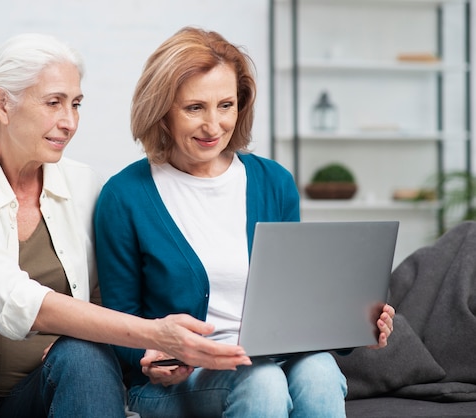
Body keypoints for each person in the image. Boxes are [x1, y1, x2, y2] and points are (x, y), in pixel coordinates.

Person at [0, 33, 251, 418]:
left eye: (76, 104)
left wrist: (152, 353)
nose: (69, 122)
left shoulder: (88, 187)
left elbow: (106, 295)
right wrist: (154, 332)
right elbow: (13, 299)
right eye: (53, 103)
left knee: (85, 352)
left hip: (46, 388)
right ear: (3, 104)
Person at [94, 27, 396, 418]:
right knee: (261, 379)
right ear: (162, 111)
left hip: (270, 359)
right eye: (194, 108)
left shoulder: (274, 182)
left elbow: (296, 297)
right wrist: (149, 357)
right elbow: (120, 316)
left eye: (226, 105)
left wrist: (356, 323)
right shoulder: (124, 195)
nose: (214, 125)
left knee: (320, 370)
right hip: (177, 381)